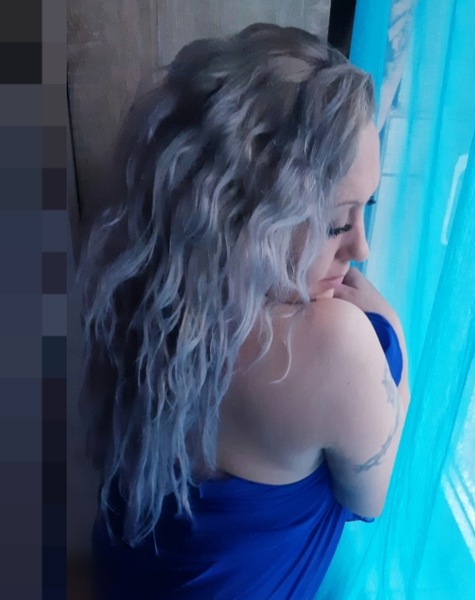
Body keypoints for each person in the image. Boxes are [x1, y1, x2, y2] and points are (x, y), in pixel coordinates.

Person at [80, 22, 410, 599]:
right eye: (337, 222)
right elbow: (371, 499)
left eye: (368, 208)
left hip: (124, 574)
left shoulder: (154, 288)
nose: (361, 248)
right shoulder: (332, 342)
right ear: (251, 215)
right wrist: (394, 330)